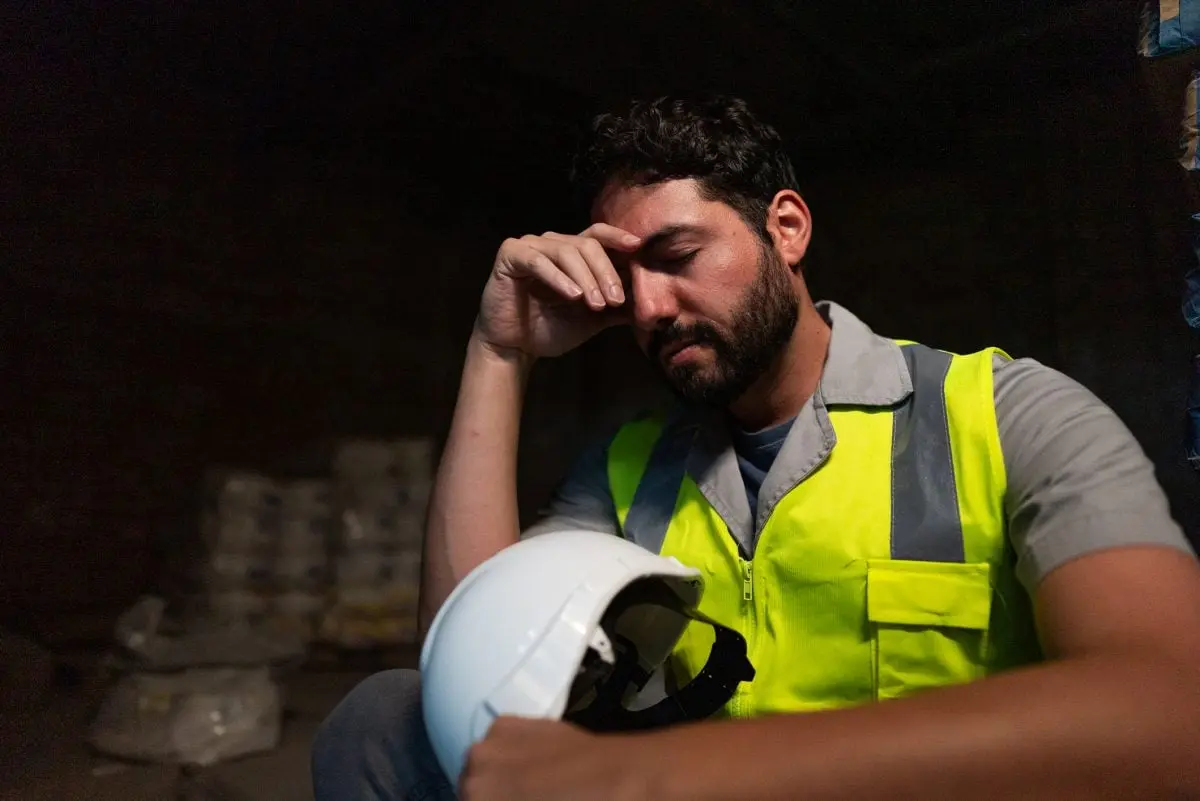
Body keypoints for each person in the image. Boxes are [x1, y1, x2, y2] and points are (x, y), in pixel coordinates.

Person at [311, 96, 1200, 801]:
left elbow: (1173, 710)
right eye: (629, 280)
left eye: (679, 254)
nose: (650, 309)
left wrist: (660, 778)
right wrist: (498, 350)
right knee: (382, 720)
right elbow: (465, 675)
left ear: (787, 228)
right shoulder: (631, 466)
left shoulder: (1007, 415)